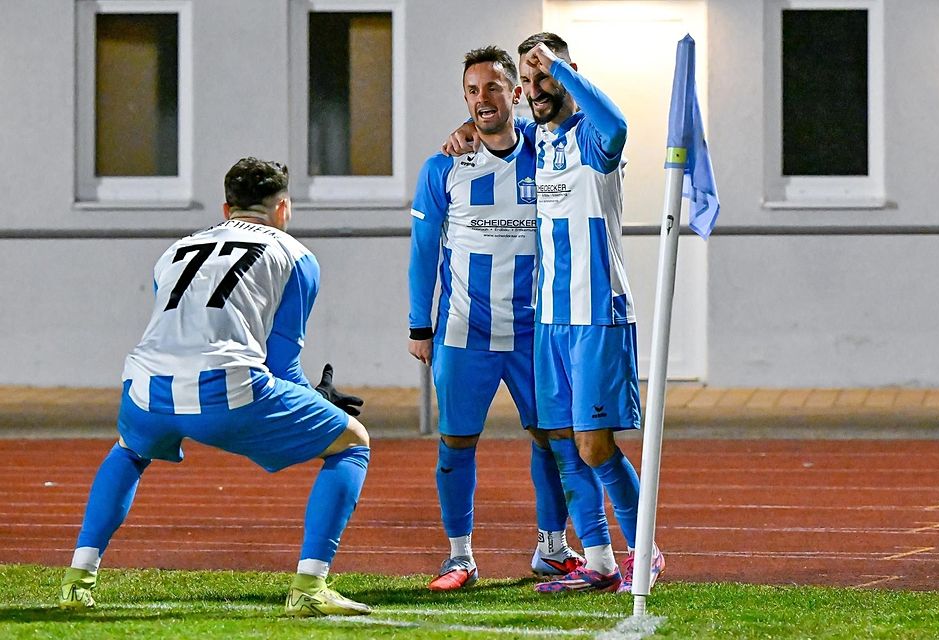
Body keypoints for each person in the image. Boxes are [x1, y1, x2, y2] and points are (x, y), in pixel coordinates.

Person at [58, 157, 372, 617]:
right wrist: (316, 397)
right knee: (352, 442)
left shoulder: (175, 250)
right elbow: (281, 363)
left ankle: (77, 579)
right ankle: (310, 587)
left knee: (128, 450)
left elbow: (175, 328)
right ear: (283, 208)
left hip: (144, 386)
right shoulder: (296, 256)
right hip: (225, 389)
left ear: (226, 208)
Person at [444, 33, 665, 595]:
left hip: (596, 313)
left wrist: (561, 71)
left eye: (545, 74)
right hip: (549, 319)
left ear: (569, 74)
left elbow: (618, 124)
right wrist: (468, 128)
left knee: (595, 445)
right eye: (529, 78)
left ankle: (645, 551)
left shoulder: (591, 136)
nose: (537, 87)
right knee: (564, 441)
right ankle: (600, 561)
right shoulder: (536, 139)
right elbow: (497, 125)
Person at [408, 46, 584, 591]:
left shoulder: (547, 152)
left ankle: (551, 548)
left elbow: (578, 123)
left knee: (552, 438)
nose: (481, 99)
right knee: (456, 442)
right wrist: (419, 325)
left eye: (491, 88)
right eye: (471, 90)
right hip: (466, 331)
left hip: (535, 332)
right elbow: (422, 251)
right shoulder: (443, 167)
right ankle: (459, 557)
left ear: (516, 92)